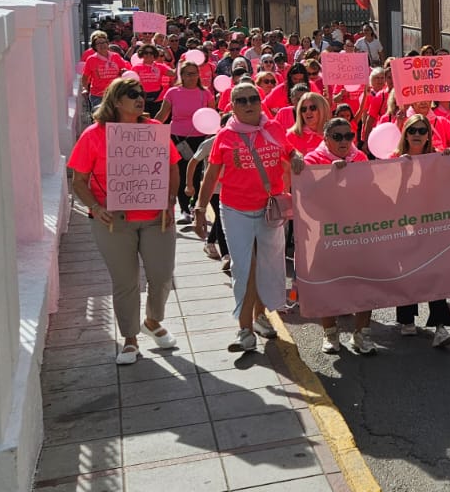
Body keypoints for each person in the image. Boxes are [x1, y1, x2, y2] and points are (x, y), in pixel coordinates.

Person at [68, 78, 181, 365]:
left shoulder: (155, 131)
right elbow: (79, 180)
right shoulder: (93, 135)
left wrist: (170, 200)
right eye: (133, 94)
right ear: (116, 100)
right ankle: (130, 339)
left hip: (157, 217)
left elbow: (172, 165)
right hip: (113, 221)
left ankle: (153, 321)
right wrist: (94, 206)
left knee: (162, 275)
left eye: (142, 94)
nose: (140, 98)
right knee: (125, 281)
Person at [192, 82, 306, 352]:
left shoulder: (274, 128)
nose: (248, 104)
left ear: (260, 100)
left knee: (268, 266)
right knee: (244, 269)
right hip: (236, 211)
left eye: (253, 98)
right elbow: (210, 176)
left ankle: (260, 317)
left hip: (270, 208)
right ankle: (244, 330)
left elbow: (289, 150)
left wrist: (297, 156)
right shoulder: (225, 136)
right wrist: (199, 208)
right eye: (241, 100)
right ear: (232, 106)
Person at [304, 118, 377, 354]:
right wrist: (330, 175)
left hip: (358, 231)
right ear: (326, 139)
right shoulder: (312, 160)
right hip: (327, 233)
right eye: (337, 137)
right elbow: (306, 194)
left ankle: (361, 334)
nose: (344, 141)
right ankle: (330, 333)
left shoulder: (361, 159)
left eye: (348, 136)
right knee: (328, 284)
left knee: (366, 281)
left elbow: (371, 189)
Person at [388, 114, 450, 347]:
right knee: (409, 273)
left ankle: (440, 327)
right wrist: (403, 172)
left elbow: (449, 188)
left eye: (421, 130)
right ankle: (407, 319)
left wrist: (449, 162)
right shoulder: (394, 160)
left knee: (434, 274)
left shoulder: (437, 159)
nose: (417, 135)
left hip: (431, 227)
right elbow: (389, 199)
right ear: (405, 134)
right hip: (405, 228)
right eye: (412, 130)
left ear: (428, 134)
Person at [157, 60, 215, 223]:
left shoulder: (206, 94)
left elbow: (212, 114)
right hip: (177, 138)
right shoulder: (172, 92)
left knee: (196, 173)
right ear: (181, 75)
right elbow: (163, 114)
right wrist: (147, 129)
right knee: (181, 173)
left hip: (200, 138)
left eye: (195, 73)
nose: (192, 77)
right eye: (188, 74)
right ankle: (183, 209)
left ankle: (194, 204)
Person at [80, 32, 129, 114]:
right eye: (98, 43)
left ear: (108, 43)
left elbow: (123, 70)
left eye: (104, 42)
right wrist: (84, 88)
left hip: (115, 93)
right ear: (94, 46)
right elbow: (85, 76)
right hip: (98, 95)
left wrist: (123, 71)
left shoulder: (115, 56)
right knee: (100, 118)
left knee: (114, 119)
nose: (102, 45)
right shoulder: (91, 59)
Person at [130, 44, 174, 117]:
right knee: (142, 120)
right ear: (142, 54)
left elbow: (173, 74)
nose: (148, 55)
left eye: (151, 53)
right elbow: (131, 82)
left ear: (154, 55)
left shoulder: (160, 66)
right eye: (146, 53)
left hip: (157, 98)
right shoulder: (136, 67)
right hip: (142, 98)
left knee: (156, 120)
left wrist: (180, 63)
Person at [286, 90, 331, 156]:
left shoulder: (335, 134)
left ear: (322, 109)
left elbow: (350, 157)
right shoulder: (291, 136)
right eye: (303, 109)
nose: (307, 112)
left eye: (312, 108)